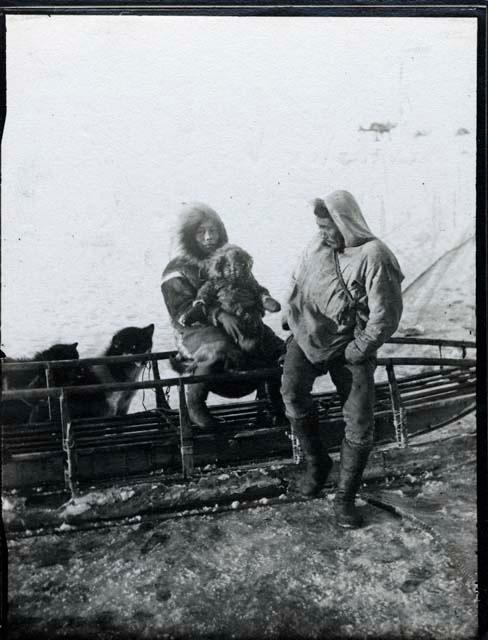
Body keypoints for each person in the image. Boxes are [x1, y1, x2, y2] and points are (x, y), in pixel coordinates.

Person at [281, 190, 404, 528]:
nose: (324, 233)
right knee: (291, 393)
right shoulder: (318, 244)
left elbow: (386, 313)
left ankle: (345, 497)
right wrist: (290, 314)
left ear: (346, 222)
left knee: (359, 420)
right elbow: (297, 277)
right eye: (320, 226)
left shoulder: (373, 255)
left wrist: (360, 347)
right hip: (309, 334)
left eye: (329, 227)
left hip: (351, 345)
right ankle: (317, 463)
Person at [161, 203, 285, 427]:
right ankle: (195, 406)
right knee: (217, 350)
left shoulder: (231, 259)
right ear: (190, 236)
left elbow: (249, 287)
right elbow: (180, 311)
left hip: (239, 321)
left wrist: (259, 301)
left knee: (273, 347)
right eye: (201, 232)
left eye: (213, 231)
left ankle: (271, 401)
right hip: (196, 329)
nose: (209, 238)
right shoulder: (177, 269)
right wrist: (218, 314)